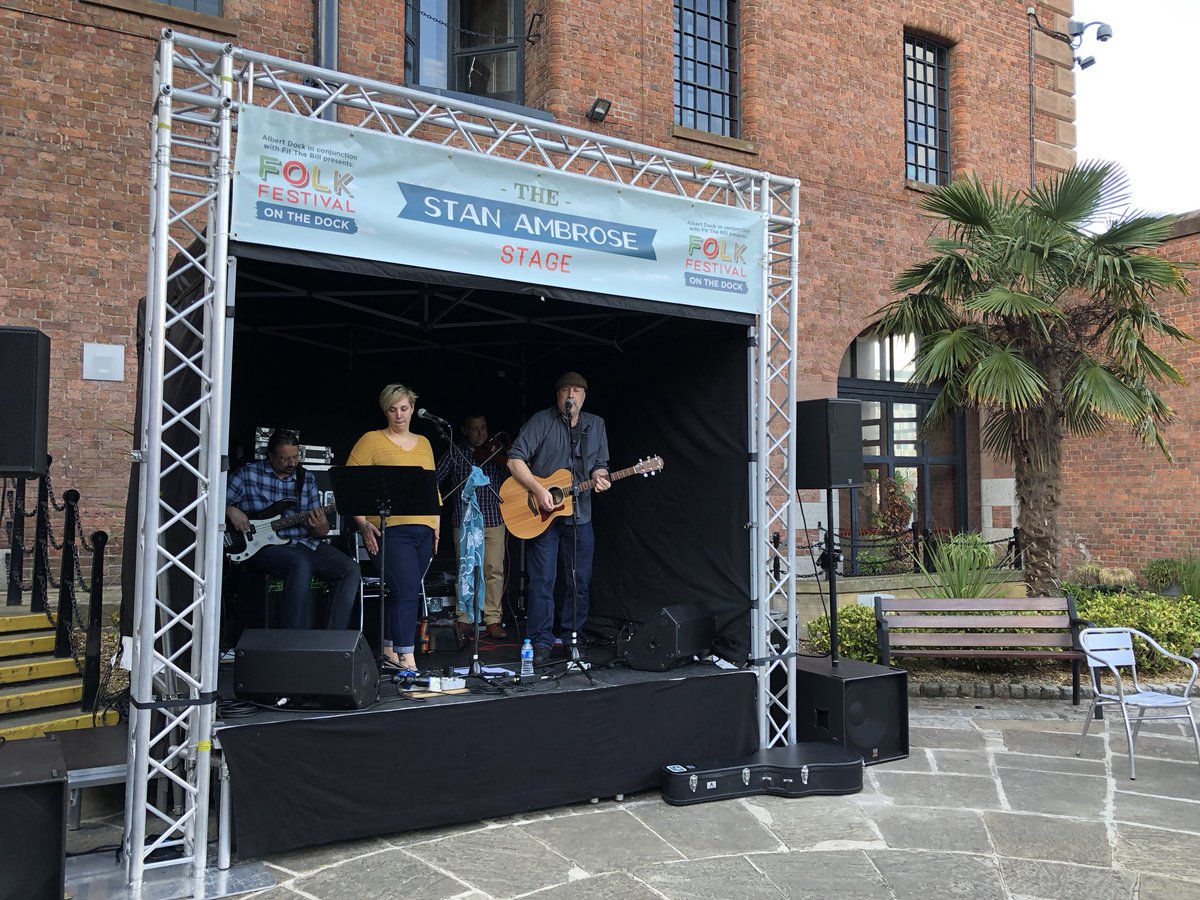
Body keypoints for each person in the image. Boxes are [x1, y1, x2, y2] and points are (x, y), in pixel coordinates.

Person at [507, 372, 610, 666]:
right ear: (557, 396)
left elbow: (600, 465)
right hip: (543, 515)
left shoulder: (596, 425)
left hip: (581, 515)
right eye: (566, 390)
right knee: (543, 580)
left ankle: (572, 638)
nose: (571, 396)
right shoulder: (542, 421)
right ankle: (540, 642)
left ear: (584, 396)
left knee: (579, 580)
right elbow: (515, 458)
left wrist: (600, 477)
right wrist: (539, 490)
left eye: (577, 390)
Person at [225, 429, 361, 631]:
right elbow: (210, 502)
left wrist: (320, 524)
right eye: (285, 458)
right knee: (300, 563)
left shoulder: (305, 479)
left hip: (303, 543)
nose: (292, 463)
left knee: (351, 569)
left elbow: (321, 532)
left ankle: (333, 639)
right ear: (270, 456)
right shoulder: (247, 474)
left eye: (295, 457)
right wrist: (230, 510)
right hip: (262, 547)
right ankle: (293, 640)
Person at [348, 384, 441, 671]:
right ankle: (407, 660)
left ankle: (389, 649)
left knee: (403, 590)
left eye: (404, 408)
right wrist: (363, 525)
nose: (399, 415)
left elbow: (432, 489)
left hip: (424, 529)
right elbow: (350, 486)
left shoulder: (424, 443)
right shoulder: (372, 440)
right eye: (392, 409)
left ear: (413, 408)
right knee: (407, 589)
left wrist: (436, 527)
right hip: (391, 530)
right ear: (385, 411)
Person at [435, 414, 509, 640]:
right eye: (475, 429)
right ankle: (464, 617)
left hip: (494, 519)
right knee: (465, 570)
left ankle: (493, 619)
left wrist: (501, 457)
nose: (480, 434)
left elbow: (515, 475)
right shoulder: (455, 453)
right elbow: (435, 479)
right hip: (464, 521)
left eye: (484, 428)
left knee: (493, 570)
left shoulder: (495, 452)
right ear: (464, 430)